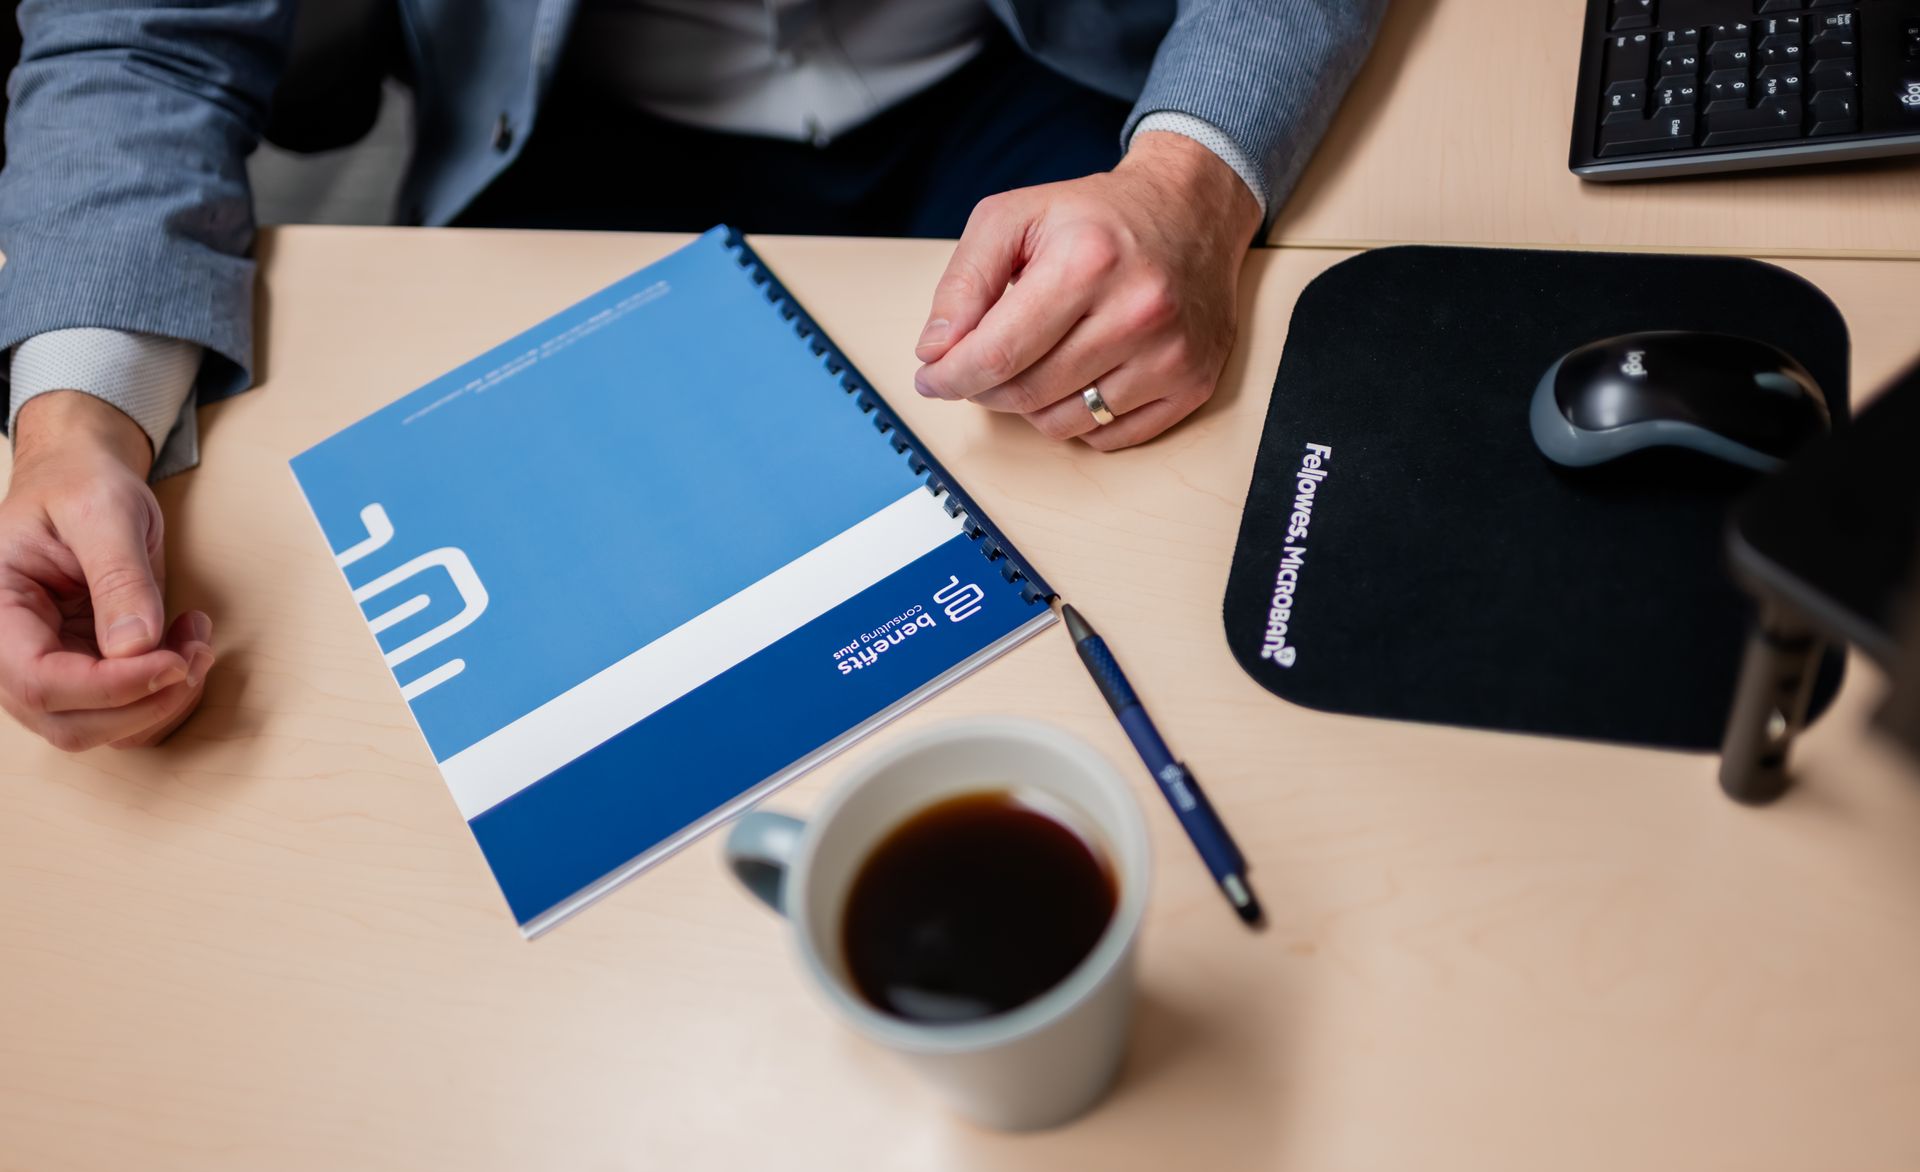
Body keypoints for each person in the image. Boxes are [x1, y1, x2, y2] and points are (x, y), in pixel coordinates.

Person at [0, 0, 1384, 752]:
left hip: (1034, 82)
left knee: (1163, 608)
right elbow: (135, 31)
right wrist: (79, 414)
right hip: (564, 146)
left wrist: (1193, 176)